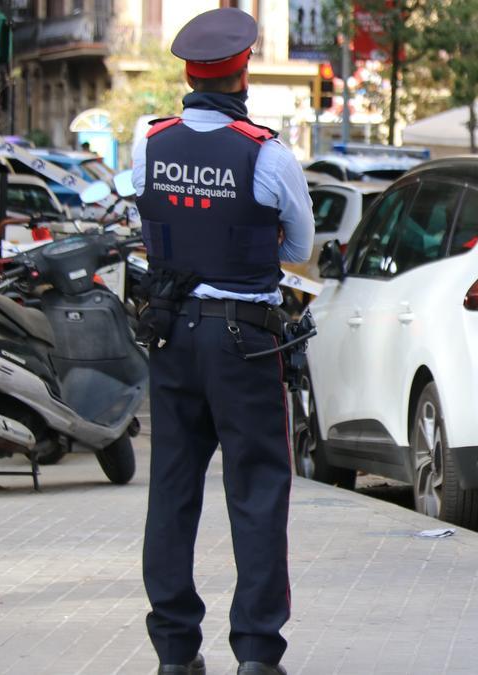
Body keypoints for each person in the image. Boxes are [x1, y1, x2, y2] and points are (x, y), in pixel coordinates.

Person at [131, 8, 313, 675]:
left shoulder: (148, 141)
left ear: (188, 73)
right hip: (245, 343)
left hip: (171, 332)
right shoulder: (266, 152)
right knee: (259, 490)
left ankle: (177, 653)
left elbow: (148, 220)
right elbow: (297, 247)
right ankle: (257, 655)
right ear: (242, 75)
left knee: (172, 492)